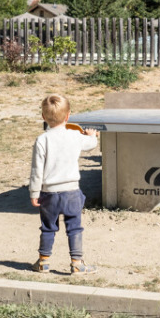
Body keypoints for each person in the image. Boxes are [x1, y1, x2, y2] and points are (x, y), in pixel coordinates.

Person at [29, 94, 99, 275]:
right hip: (71, 192)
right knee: (74, 227)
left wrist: (34, 192)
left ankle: (44, 261)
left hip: (49, 193)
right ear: (68, 116)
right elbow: (90, 144)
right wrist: (92, 135)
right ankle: (76, 263)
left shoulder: (42, 140)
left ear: (43, 117)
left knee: (47, 227)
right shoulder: (75, 135)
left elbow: (37, 170)